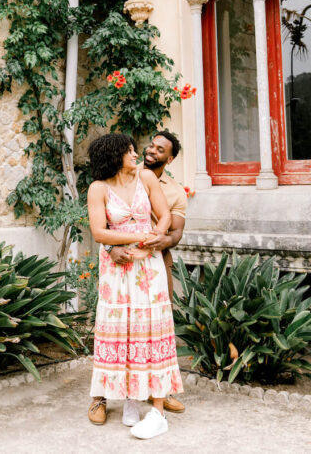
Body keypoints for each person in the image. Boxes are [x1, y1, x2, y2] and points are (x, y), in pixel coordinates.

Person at [85, 132, 183, 440]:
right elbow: (100, 233)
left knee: (151, 327)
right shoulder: (98, 189)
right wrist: (133, 240)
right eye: (129, 151)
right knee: (122, 328)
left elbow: (165, 214)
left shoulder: (147, 179)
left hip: (148, 265)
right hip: (118, 268)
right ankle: (127, 399)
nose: (136, 154)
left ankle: (155, 408)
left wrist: (156, 236)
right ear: (114, 156)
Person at [107, 130, 187, 415]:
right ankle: (101, 396)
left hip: (155, 260)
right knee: (116, 325)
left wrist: (158, 240)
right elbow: (104, 221)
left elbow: (176, 232)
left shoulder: (176, 191)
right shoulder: (123, 172)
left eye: (160, 149)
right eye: (151, 145)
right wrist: (110, 249)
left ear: (171, 157)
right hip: (120, 256)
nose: (151, 150)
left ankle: (158, 391)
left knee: (156, 324)